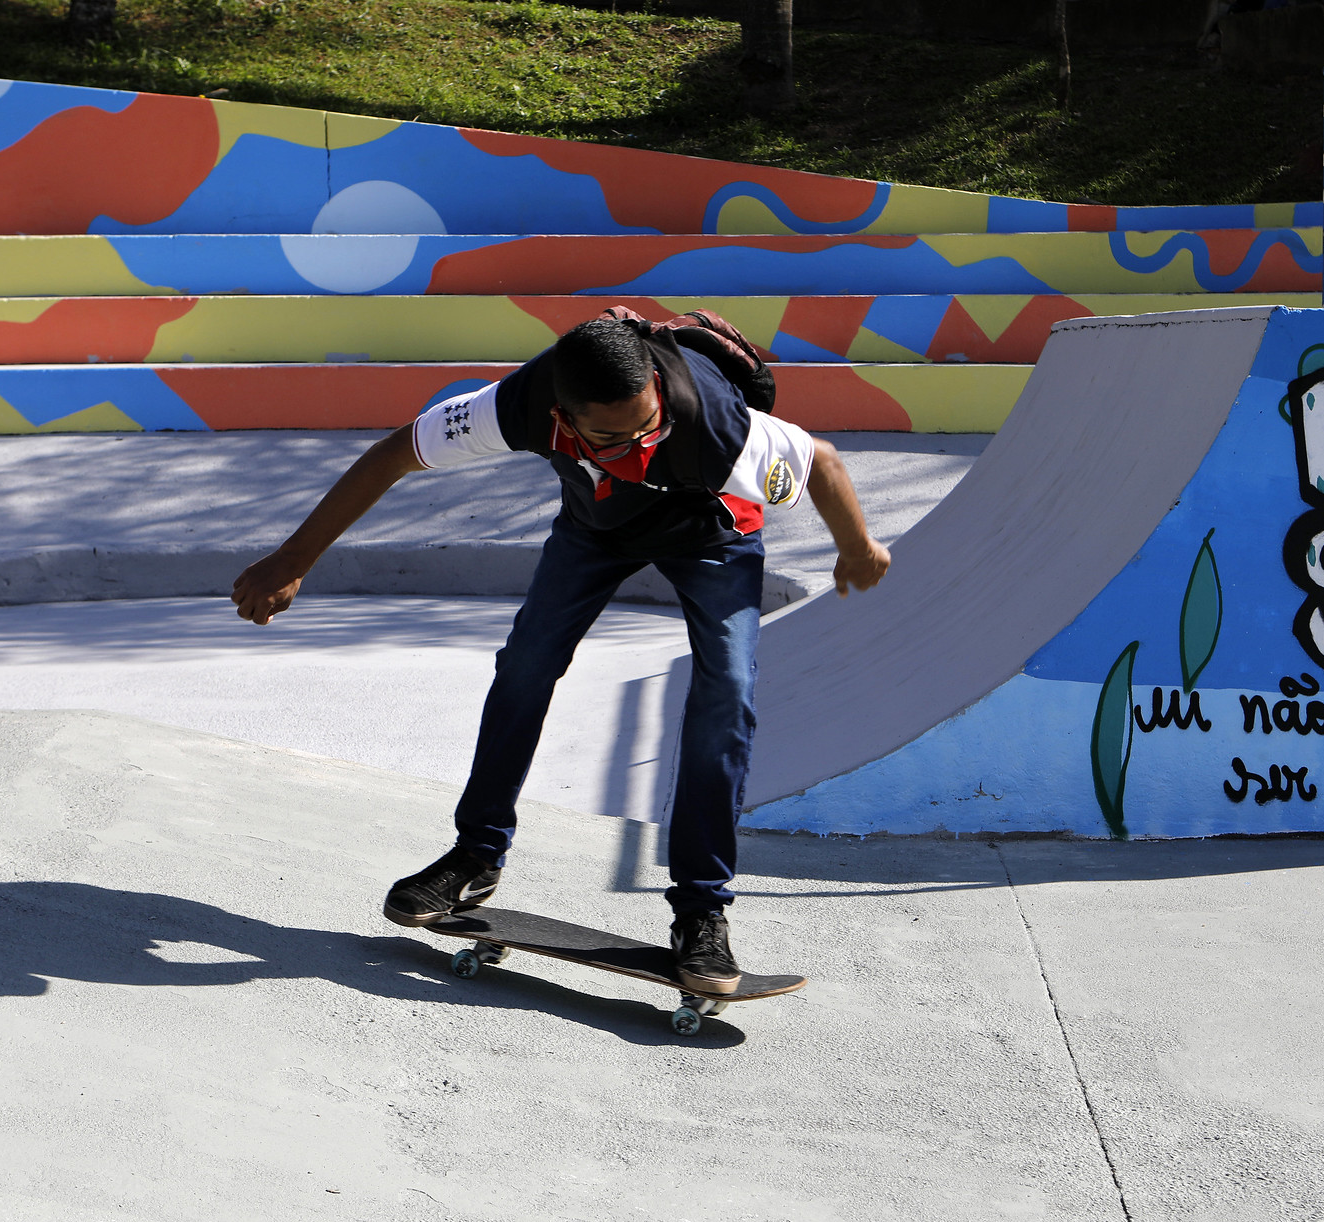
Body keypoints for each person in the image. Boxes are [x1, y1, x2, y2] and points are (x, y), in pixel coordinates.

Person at [229, 313, 891, 995]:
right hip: (595, 530)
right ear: (561, 416)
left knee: (724, 696)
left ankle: (701, 911)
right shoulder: (519, 402)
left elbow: (822, 462)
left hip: (711, 535)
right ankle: (475, 856)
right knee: (525, 664)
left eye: (649, 427)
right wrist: (292, 559)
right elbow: (397, 452)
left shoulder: (715, 422)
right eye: (610, 439)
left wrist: (857, 549)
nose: (638, 449)